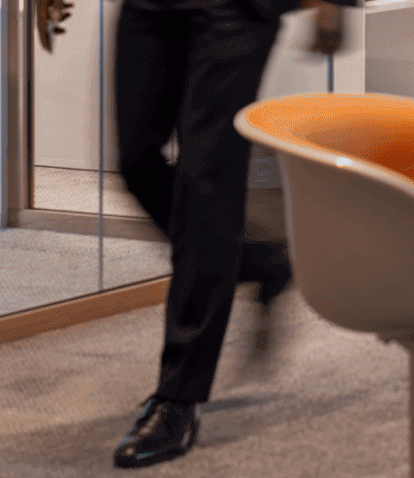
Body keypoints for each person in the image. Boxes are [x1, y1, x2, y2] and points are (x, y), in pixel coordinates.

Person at [107, 0, 354, 469]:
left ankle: (178, 399)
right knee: (135, 162)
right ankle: (255, 261)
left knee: (207, 184)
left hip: (234, 11)